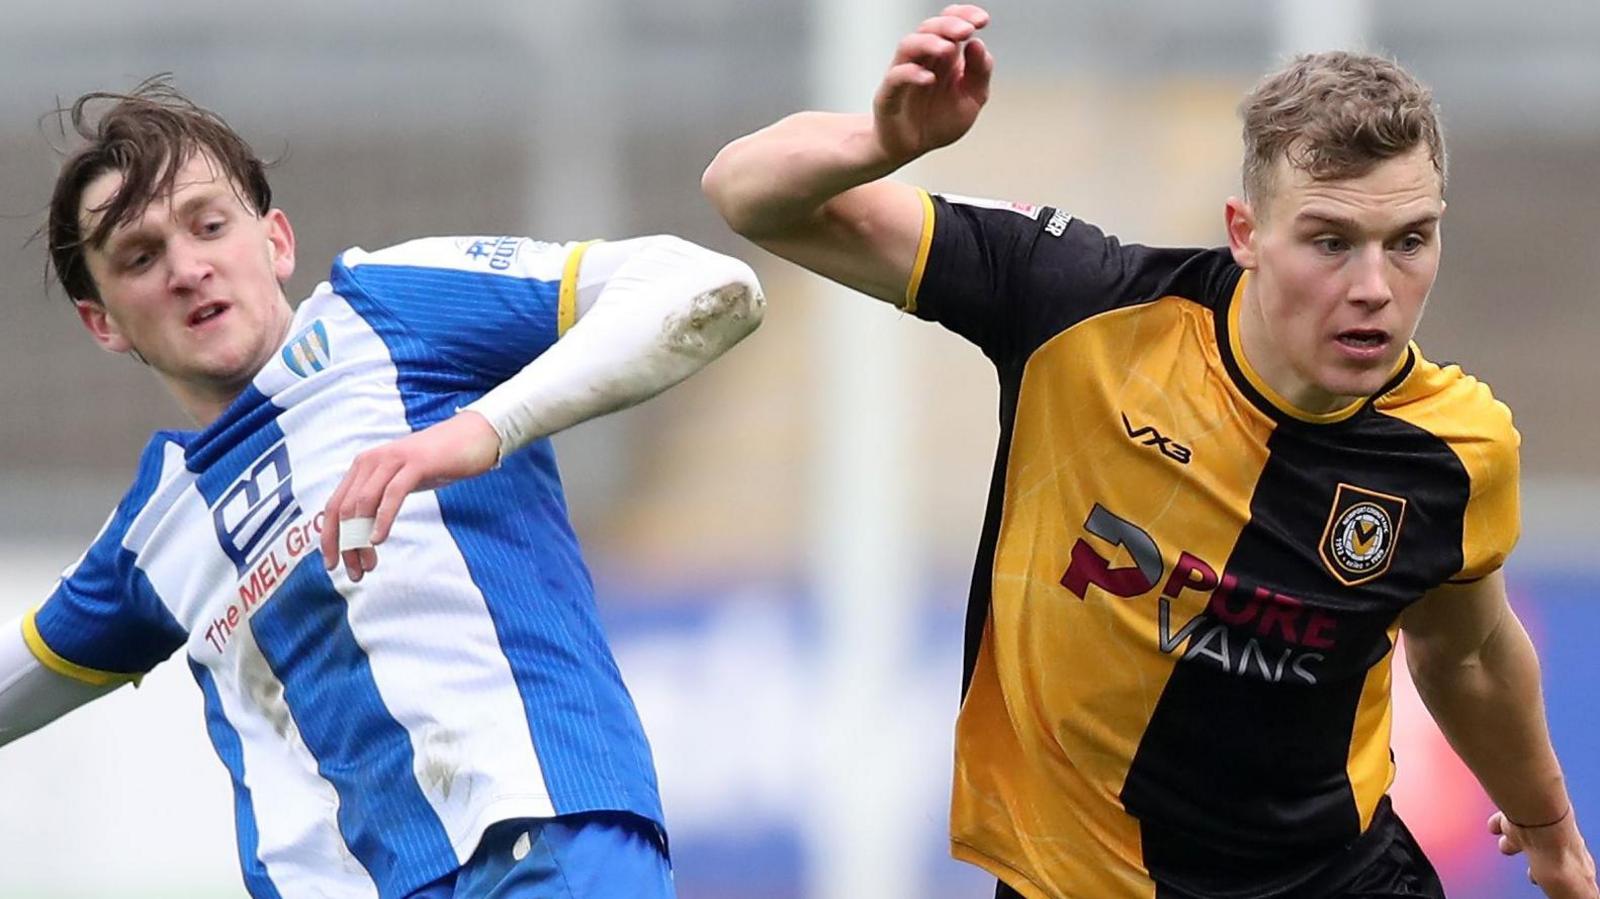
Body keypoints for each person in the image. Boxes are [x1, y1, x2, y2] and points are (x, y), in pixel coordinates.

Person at [702, 5, 1596, 898]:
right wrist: (877, 141)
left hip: (1336, 877)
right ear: (1245, 233)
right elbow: (747, 192)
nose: (1374, 289)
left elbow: (1467, 652)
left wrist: (1551, 830)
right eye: (1330, 241)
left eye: (1410, 241)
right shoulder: (1082, 308)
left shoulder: (1456, 449)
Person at [0, 78, 764, 898]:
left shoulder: (392, 309)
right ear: (102, 321)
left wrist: (479, 430)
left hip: (541, 845)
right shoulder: (152, 536)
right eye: (141, 256)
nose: (188, 268)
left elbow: (707, 287)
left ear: (276, 241)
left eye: (209, 225)